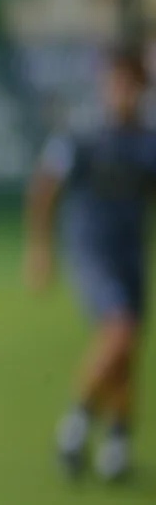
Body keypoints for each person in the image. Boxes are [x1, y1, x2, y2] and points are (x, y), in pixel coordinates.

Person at [25, 47, 156, 482]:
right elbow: (45, 187)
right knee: (120, 331)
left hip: (131, 254)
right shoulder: (83, 136)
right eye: (115, 82)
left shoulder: (146, 142)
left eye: (130, 84)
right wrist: (40, 249)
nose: (122, 93)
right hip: (91, 251)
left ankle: (117, 445)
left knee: (126, 349)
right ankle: (75, 427)